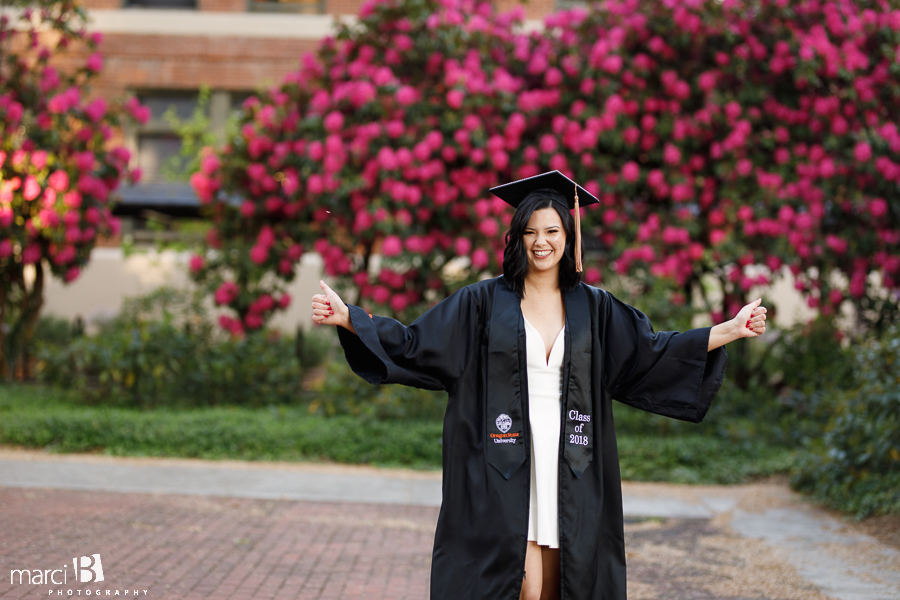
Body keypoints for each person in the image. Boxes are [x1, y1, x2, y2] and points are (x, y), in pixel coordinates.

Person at [310, 171, 767, 600]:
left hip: (573, 458)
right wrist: (350, 318)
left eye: (552, 231)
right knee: (518, 583)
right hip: (500, 460)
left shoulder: (596, 307)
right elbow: (416, 343)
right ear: (516, 238)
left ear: (568, 238)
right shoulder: (481, 302)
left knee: (559, 582)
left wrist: (729, 329)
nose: (541, 242)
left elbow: (649, 351)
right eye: (530, 231)